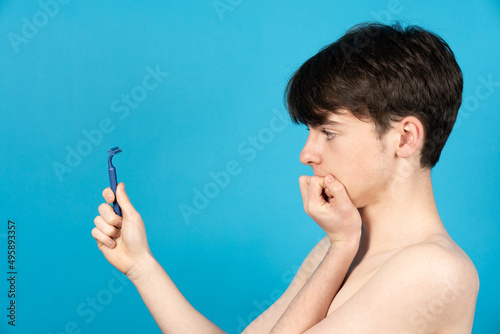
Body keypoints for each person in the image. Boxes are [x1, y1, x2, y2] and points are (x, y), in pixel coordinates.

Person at [92, 22, 479, 333]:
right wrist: (142, 266)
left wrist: (342, 244)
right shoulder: (335, 252)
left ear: (405, 137)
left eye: (328, 132)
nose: (307, 154)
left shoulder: (435, 270)